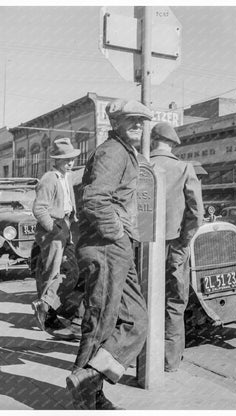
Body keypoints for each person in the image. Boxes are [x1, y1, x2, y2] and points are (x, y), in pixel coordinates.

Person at [66, 99, 153, 410]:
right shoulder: (112, 151)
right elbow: (93, 199)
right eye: (131, 120)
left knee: (137, 320)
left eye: (142, 122)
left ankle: (87, 379)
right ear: (115, 122)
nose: (138, 126)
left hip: (117, 246)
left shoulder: (123, 151)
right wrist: (116, 232)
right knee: (100, 322)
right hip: (106, 245)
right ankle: (87, 398)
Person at [150, 122, 204, 373]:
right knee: (174, 301)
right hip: (174, 245)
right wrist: (184, 242)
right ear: (172, 144)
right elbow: (196, 213)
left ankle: (142, 357)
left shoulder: (140, 165)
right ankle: (169, 361)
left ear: (153, 142)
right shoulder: (184, 168)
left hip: (143, 247)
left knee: (143, 299)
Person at [31, 137, 82, 340]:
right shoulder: (49, 179)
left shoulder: (65, 177)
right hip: (54, 229)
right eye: (66, 159)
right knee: (52, 271)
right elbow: (39, 208)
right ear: (57, 160)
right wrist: (54, 229)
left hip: (66, 226)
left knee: (71, 271)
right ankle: (47, 315)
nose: (70, 163)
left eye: (71, 159)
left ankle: (45, 305)